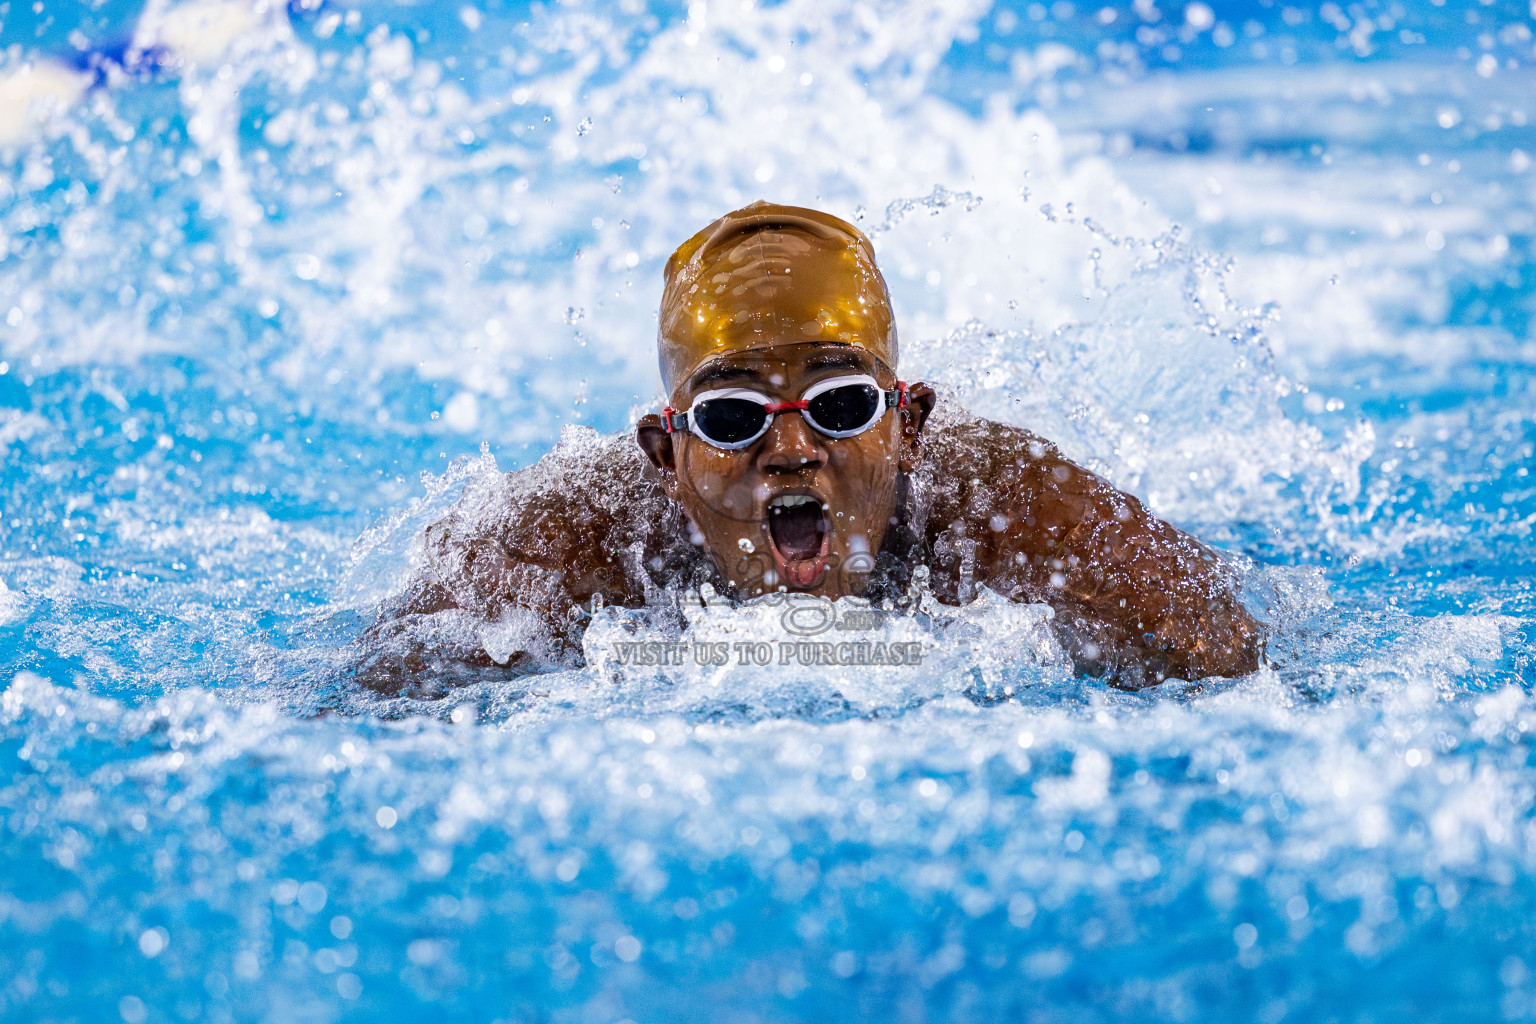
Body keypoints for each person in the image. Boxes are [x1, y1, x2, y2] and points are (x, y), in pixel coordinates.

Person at [357, 202, 1262, 692]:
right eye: (731, 416)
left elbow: (1236, 660)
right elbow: (361, 704)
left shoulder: (1015, 515)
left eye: (837, 402)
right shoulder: (556, 548)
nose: (791, 446)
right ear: (664, 454)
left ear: (907, 425)